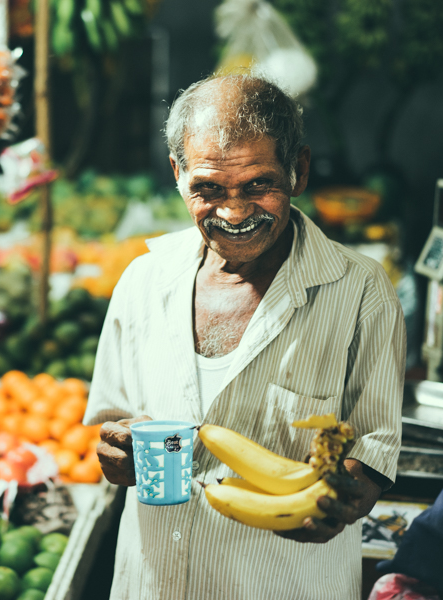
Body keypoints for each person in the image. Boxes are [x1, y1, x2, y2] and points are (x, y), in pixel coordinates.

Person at [83, 74, 405, 599]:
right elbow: (110, 423)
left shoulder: (360, 291)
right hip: (150, 582)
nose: (233, 212)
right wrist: (118, 455)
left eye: (258, 185)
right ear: (177, 174)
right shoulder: (143, 282)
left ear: (297, 170)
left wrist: (347, 497)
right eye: (208, 189)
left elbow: (375, 449)